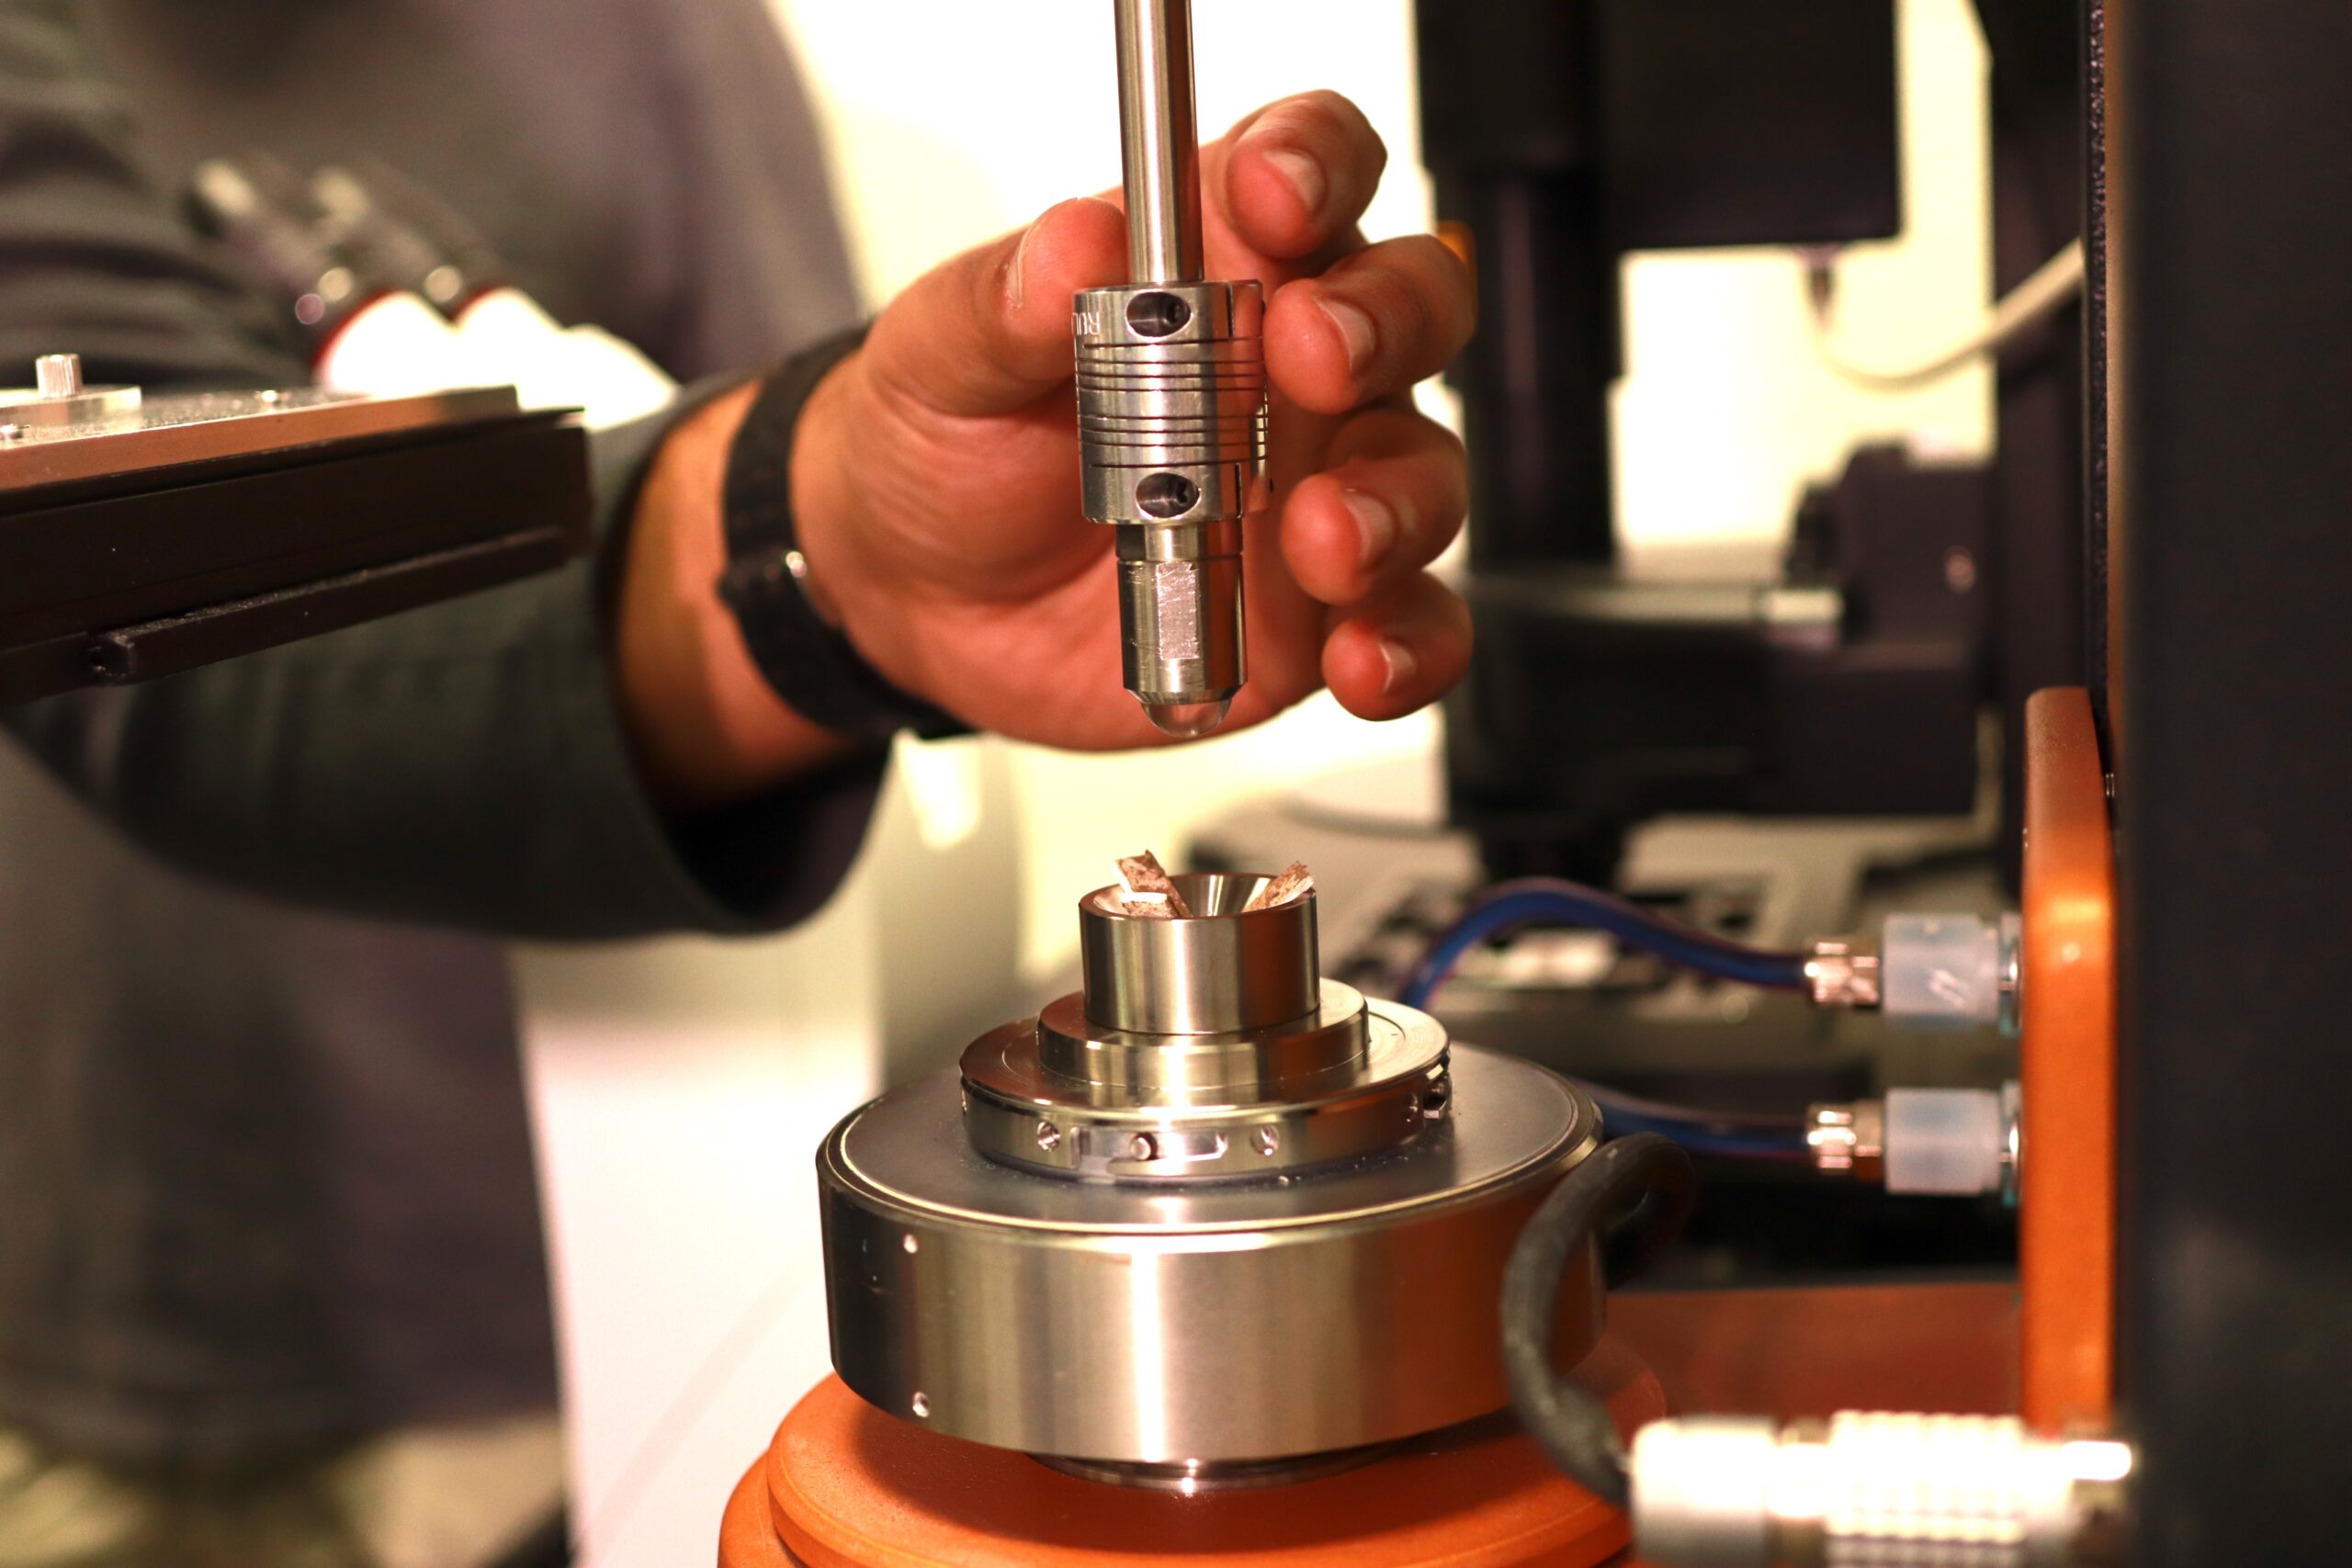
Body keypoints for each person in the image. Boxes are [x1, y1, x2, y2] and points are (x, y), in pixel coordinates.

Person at [0, 3, 1475, 1563]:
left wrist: (846, 546)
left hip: (550, 1328)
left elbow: (809, 485)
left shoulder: (651, 36)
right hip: (105, 1307)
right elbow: (138, 626)